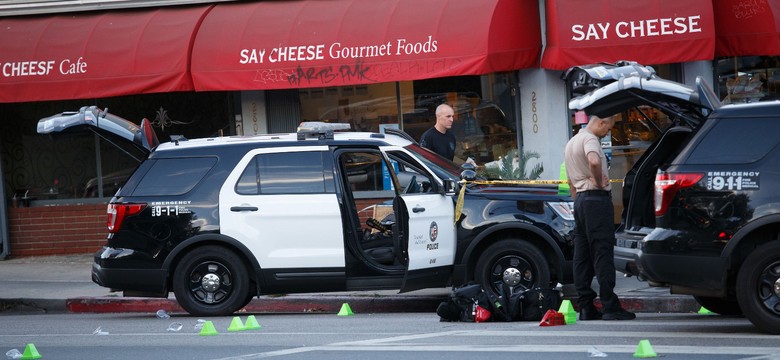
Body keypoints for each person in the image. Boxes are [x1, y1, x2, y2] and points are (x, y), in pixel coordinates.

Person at [563, 113, 636, 321]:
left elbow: (570, 180)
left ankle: (586, 306)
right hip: (596, 200)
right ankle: (610, 305)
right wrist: (597, 182)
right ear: (601, 122)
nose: (608, 132)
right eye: (609, 127)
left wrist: (579, 199)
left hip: (580, 202)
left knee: (582, 254)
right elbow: (594, 161)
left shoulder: (571, 142)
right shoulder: (589, 139)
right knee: (602, 252)